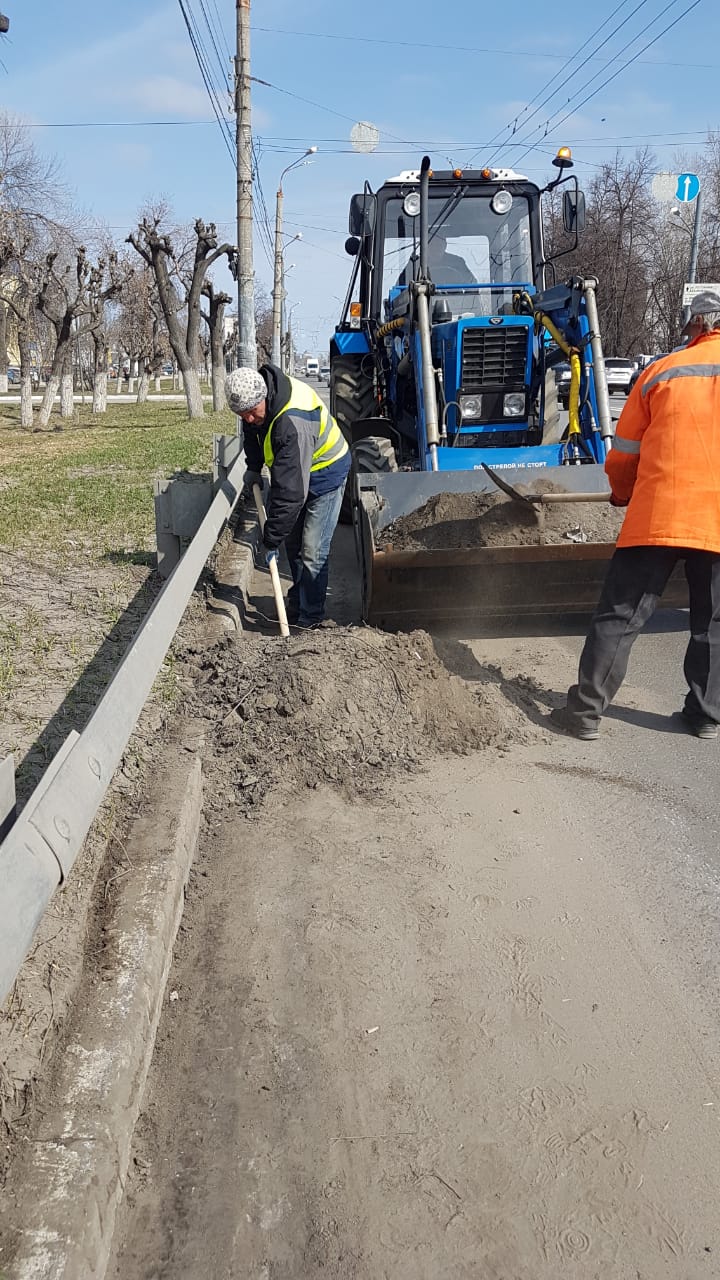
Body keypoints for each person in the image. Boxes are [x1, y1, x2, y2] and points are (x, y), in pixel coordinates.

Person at [551, 289, 720, 741]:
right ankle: (705, 715)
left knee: (620, 618)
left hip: (660, 514)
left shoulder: (661, 373)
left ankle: (585, 714)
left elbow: (624, 455)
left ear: (699, 325)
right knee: (715, 622)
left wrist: (623, 495)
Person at [225, 363, 350, 629]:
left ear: (263, 399)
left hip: (326, 473)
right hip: (298, 472)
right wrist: (254, 467)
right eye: (242, 414)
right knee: (293, 545)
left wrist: (270, 539)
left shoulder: (291, 422)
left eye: (251, 412)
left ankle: (311, 619)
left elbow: (291, 495)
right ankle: (300, 600)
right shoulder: (257, 406)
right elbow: (254, 434)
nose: (248, 419)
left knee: (313, 549)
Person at [399, 232, 477, 287]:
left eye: (439, 244)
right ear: (426, 246)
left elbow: (472, 284)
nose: (436, 248)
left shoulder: (457, 262)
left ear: (445, 245)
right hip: (420, 307)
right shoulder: (414, 264)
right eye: (433, 244)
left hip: (457, 306)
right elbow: (400, 288)